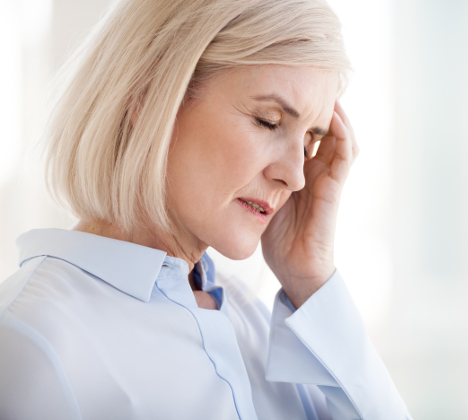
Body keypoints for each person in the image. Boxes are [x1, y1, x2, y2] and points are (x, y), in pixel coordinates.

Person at [0, 0, 411, 419]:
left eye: (309, 143)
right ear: (150, 93)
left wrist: (312, 278)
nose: (297, 175)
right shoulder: (33, 340)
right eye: (268, 121)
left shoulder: (253, 325)